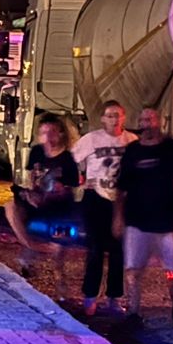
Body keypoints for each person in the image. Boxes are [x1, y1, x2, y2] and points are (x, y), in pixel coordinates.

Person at [115, 106, 173, 327]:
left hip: (165, 221)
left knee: (172, 271)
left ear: (158, 122)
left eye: (149, 119)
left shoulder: (170, 149)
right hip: (136, 220)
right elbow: (121, 188)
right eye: (142, 120)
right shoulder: (132, 151)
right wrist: (118, 217)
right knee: (132, 269)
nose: (145, 124)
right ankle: (133, 311)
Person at [71, 100, 135, 316]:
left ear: (124, 117)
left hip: (122, 200)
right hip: (96, 198)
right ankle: (90, 296)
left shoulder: (131, 141)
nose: (114, 119)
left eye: (117, 115)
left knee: (119, 251)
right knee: (96, 249)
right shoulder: (92, 139)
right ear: (102, 118)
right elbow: (71, 161)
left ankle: (114, 298)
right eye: (109, 115)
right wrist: (80, 181)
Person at [4, 115, 82, 272]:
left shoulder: (67, 159)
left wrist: (58, 189)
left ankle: (60, 285)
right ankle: (30, 246)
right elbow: (32, 176)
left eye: (51, 132)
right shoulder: (37, 152)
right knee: (10, 207)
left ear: (60, 133)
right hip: (38, 200)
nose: (47, 137)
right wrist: (29, 193)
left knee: (59, 251)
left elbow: (72, 186)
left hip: (59, 206)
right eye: (43, 133)